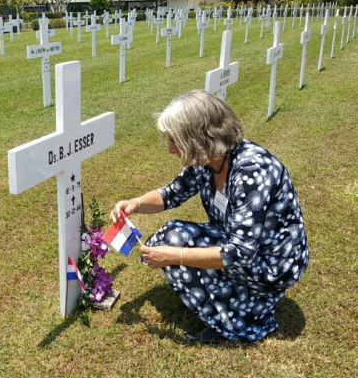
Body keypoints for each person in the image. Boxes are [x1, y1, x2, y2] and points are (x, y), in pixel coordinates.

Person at [110, 90, 308, 344]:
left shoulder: (252, 170)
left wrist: (174, 256)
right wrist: (135, 204)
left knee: (172, 246)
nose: (171, 149)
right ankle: (240, 302)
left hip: (272, 264)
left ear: (201, 137)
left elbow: (241, 252)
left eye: (175, 140)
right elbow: (171, 194)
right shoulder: (208, 161)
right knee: (169, 237)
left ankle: (241, 319)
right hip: (244, 249)